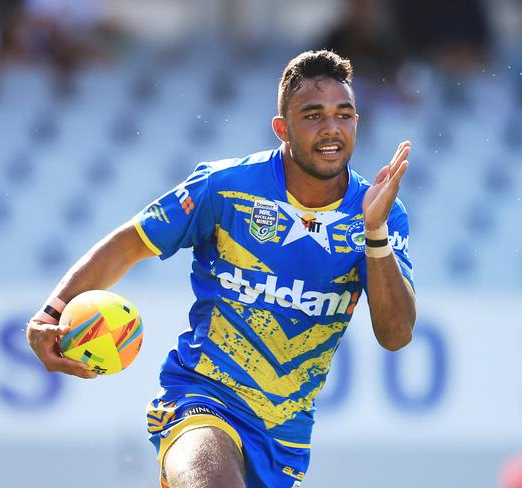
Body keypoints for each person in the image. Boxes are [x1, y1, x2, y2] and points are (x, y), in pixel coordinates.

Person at [26, 50, 416, 488]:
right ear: (282, 129)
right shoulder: (224, 186)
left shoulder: (378, 213)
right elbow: (130, 243)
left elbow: (396, 334)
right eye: (313, 115)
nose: (331, 128)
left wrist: (375, 231)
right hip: (201, 399)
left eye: (344, 114)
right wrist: (50, 313)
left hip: (284, 435)